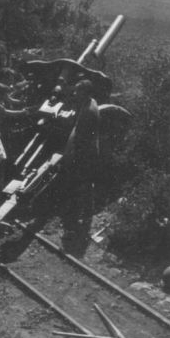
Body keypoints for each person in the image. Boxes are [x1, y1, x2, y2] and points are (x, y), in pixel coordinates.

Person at [60, 79, 100, 254]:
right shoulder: (90, 103)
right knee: (85, 185)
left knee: (81, 185)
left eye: (78, 91)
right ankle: (86, 216)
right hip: (87, 152)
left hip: (85, 155)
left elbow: (81, 139)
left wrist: (71, 157)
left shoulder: (89, 112)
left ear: (86, 93)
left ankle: (81, 218)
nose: (75, 94)